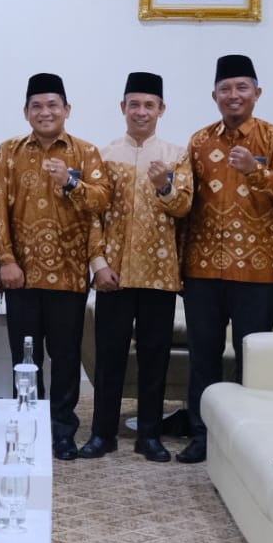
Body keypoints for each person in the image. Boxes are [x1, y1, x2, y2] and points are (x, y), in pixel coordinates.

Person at [178, 54, 273, 464]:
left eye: (242, 87)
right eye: (225, 88)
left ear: (257, 93)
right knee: (204, 356)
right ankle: (202, 435)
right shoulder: (199, 141)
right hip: (202, 269)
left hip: (258, 272)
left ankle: (248, 440)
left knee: (252, 358)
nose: (234, 95)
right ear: (214, 95)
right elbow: (186, 204)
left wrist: (256, 171)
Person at [0, 72, 110, 461]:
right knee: (25, 360)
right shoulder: (8, 152)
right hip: (20, 276)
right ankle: (28, 427)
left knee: (66, 358)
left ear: (67, 110)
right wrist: (6, 260)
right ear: (26, 112)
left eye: (53, 105)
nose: (45, 112)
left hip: (70, 277)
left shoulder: (85, 153)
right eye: (37, 106)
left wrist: (70, 182)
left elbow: (101, 201)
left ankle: (62, 431)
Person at [82, 71, 192, 462]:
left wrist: (164, 185)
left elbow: (184, 207)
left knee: (154, 357)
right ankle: (102, 434)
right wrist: (98, 264)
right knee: (109, 356)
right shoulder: (104, 155)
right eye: (134, 104)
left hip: (159, 276)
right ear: (123, 107)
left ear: (161, 109)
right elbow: (92, 214)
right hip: (113, 275)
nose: (141, 111)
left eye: (149, 105)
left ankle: (149, 435)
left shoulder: (178, 155)